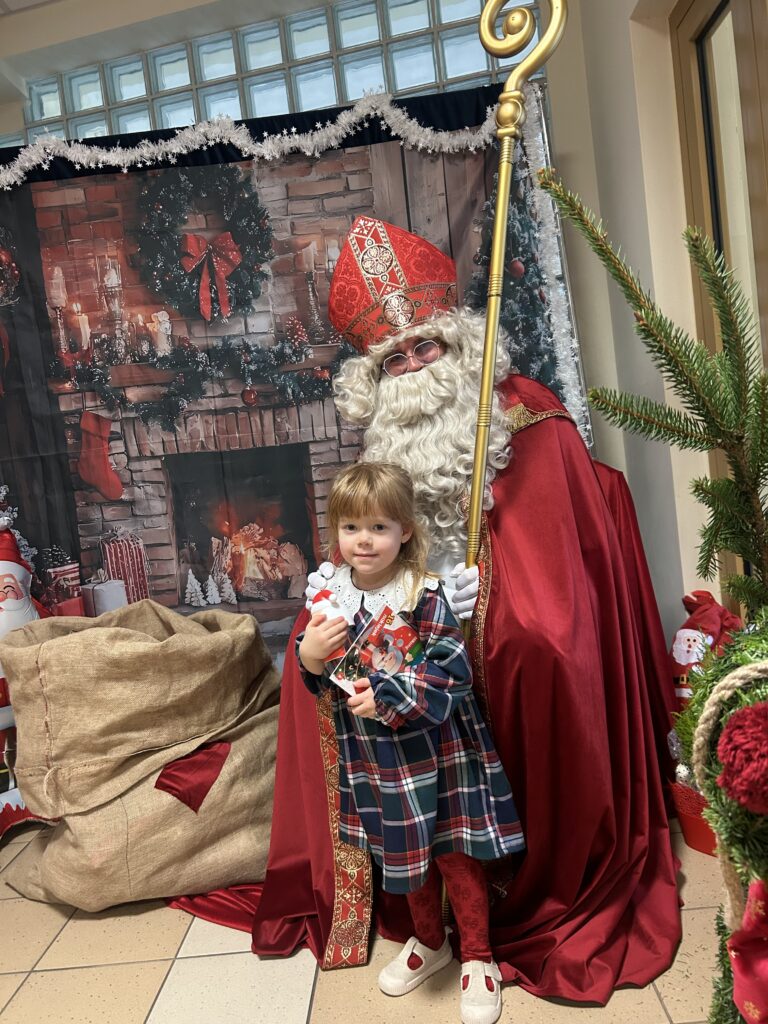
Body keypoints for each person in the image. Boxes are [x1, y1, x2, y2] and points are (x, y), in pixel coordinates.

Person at [252, 216, 681, 1003]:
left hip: (468, 653)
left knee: (534, 645)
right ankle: (428, 930)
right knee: (320, 659)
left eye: (425, 346)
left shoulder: (525, 413)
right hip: (407, 652)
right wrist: (343, 617)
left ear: (457, 341)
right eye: (395, 358)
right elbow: (367, 551)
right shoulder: (383, 453)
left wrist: (475, 615)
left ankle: (491, 925)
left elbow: (553, 574)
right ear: (376, 380)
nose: (414, 366)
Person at [297, 461, 524, 1024]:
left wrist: (389, 698)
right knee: (404, 857)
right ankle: (431, 941)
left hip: (437, 755)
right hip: (376, 761)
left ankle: (478, 954)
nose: (364, 540)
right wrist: (309, 657)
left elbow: (452, 673)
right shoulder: (330, 598)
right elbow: (325, 676)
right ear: (335, 532)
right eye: (351, 527)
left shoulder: (423, 593)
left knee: (453, 855)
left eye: (378, 527)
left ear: (405, 531)